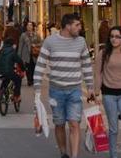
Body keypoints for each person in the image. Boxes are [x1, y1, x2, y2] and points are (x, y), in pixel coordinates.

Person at [34, 13, 95, 158]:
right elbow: (40, 65)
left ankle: (74, 156)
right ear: (68, 26)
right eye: (77, 25)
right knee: (59, 124)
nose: (80, 28)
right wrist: (37, 89)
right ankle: (63, 153)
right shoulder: (50, 41)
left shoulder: (81, 42)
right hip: (56, 91)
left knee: (74, 124)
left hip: (75, 90)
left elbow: (86, 65)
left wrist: (90, 87)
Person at [95, 26, 121, 158]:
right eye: (112, 36)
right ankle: (113, 155)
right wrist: (96, 92)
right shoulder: (103, 53)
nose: (114, 39)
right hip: (109, 95)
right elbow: (98, 73)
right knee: (113, 129)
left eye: (118, 36)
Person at [0, 36, 24, 102]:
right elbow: (19, 61)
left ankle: (0, 91)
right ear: (12, 44)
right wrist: (23, 69)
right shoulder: (12, 52)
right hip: (8, 71)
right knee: (18, 79)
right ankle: (16, 96)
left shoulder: (1, 51)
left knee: (6, 79)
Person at [17, 21, 42, 86]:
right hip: (26, 55)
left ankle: (33, 79)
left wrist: (35, 45)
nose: (29, 27)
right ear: (26, 27)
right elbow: (20, 46)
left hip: (34, 55)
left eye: (31, 25)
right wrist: (19, 56)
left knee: (34, 68)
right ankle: (29, 80)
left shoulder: (36, 34)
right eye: (28, 25)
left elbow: (41, 43)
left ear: (33, 27)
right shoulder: (23, 35)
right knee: (28, 68)